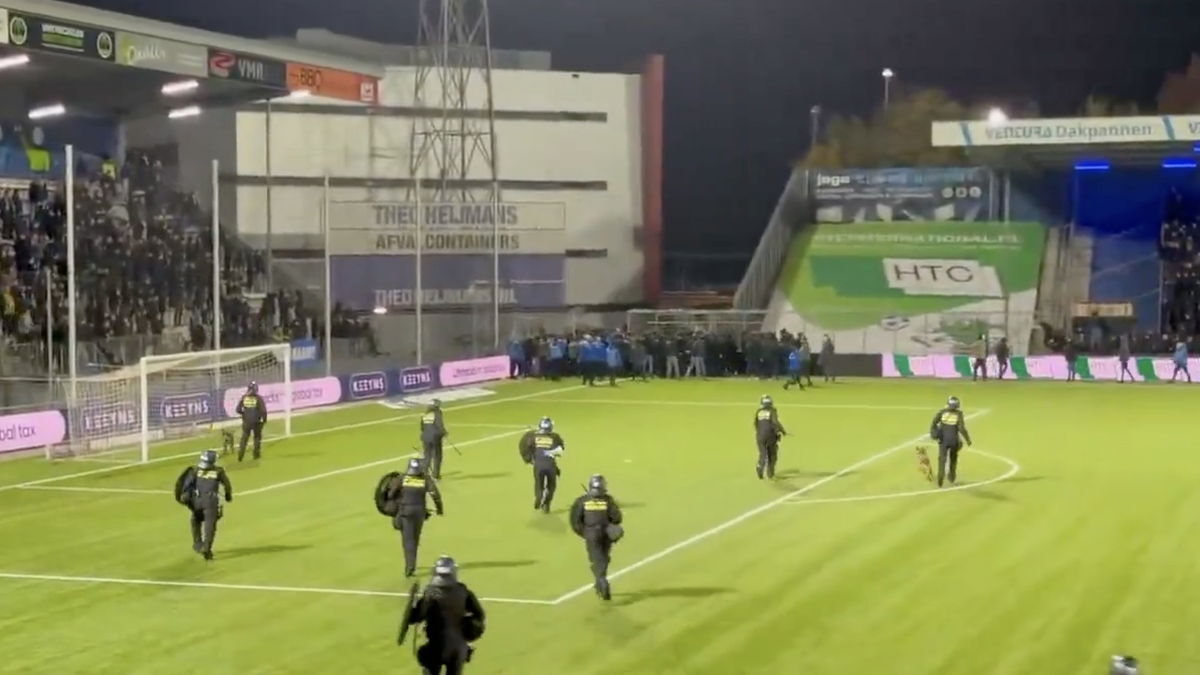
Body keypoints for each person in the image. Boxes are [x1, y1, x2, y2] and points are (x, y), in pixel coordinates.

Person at [404, 556, 487, 675]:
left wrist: (413, 606)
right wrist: (468, 628)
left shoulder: (430, 593)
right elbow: (480, 615)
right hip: (458, 649)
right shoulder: (463, 591)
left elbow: (415, 617)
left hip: (436, 648)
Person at [385, 458, 444, 577]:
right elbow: (435, 494)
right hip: (419, 512)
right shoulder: (425, 479)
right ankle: (412, 563)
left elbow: (390, 494)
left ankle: (410, 566)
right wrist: (439, 509)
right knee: (415, 537)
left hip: (405, 512)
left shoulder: (402, 479)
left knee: (408, 540)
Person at [569, 474, 624, 601]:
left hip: (591, 535)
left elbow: (575, 521)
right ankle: (601, 582)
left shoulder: (581, 501)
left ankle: (601, 582)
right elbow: (617, 518)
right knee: (603, 558)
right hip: (606, 534)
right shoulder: (608, 500)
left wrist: (585, 533)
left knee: (597, 559)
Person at [174, 450, 233, 561]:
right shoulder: (218, 471)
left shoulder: (195, 471)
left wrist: (185, 498)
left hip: (198, 501)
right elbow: (227, 485)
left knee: (195, 520)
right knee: (209, 527)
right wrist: (228, 496)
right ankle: (207, 548)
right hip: (211, 501)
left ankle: (197, 543)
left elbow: (186, 486)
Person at [519, 417, 565, 513]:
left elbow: (526, 447)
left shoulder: (533, 437)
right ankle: (546, 505)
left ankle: (539, 497)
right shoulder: (555, 437)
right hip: (551, 466)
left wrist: (529, 459)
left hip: (538, 465)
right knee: (551, 486)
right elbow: (561, 449)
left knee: (538, 485)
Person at [929, 396, 973, 488]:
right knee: (953, 458)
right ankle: (951, 476)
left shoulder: (942, 412)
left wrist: (934, 434)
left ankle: (940, 477)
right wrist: (968, 439)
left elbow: (933, 423)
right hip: (954, 440)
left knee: (942, 459)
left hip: (943, 440)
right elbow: (961, 428)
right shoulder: (958, 414)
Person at [754, 395, 787, 479]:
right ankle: (770, 472)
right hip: (770, 436)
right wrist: (781, 431)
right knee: (772, 454)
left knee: (762, 454)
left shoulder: (758, 412)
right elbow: (775, 422)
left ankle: (760, 466)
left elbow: (756, 424)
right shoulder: (772, 411)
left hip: (759, 436)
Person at [235, 381, 266, 461]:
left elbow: (238, 409)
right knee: (257, 438)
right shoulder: (258, 398)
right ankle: (256, 455)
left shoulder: (244, 397)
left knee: (244, 439)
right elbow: (263, 411)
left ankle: (240, 455)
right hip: (257, 422)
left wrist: (244, 414)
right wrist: (264, 420)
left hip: (246, 422)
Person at [421, 399, 448, 480]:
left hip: (425, 437)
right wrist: (444, 433)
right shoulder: (437, 413)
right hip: (435, 438)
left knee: (427, 456)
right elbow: (439, 425)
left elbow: (422, 427)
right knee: (437, 456)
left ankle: (424, 474)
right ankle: (435, 475)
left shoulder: (425, 414)